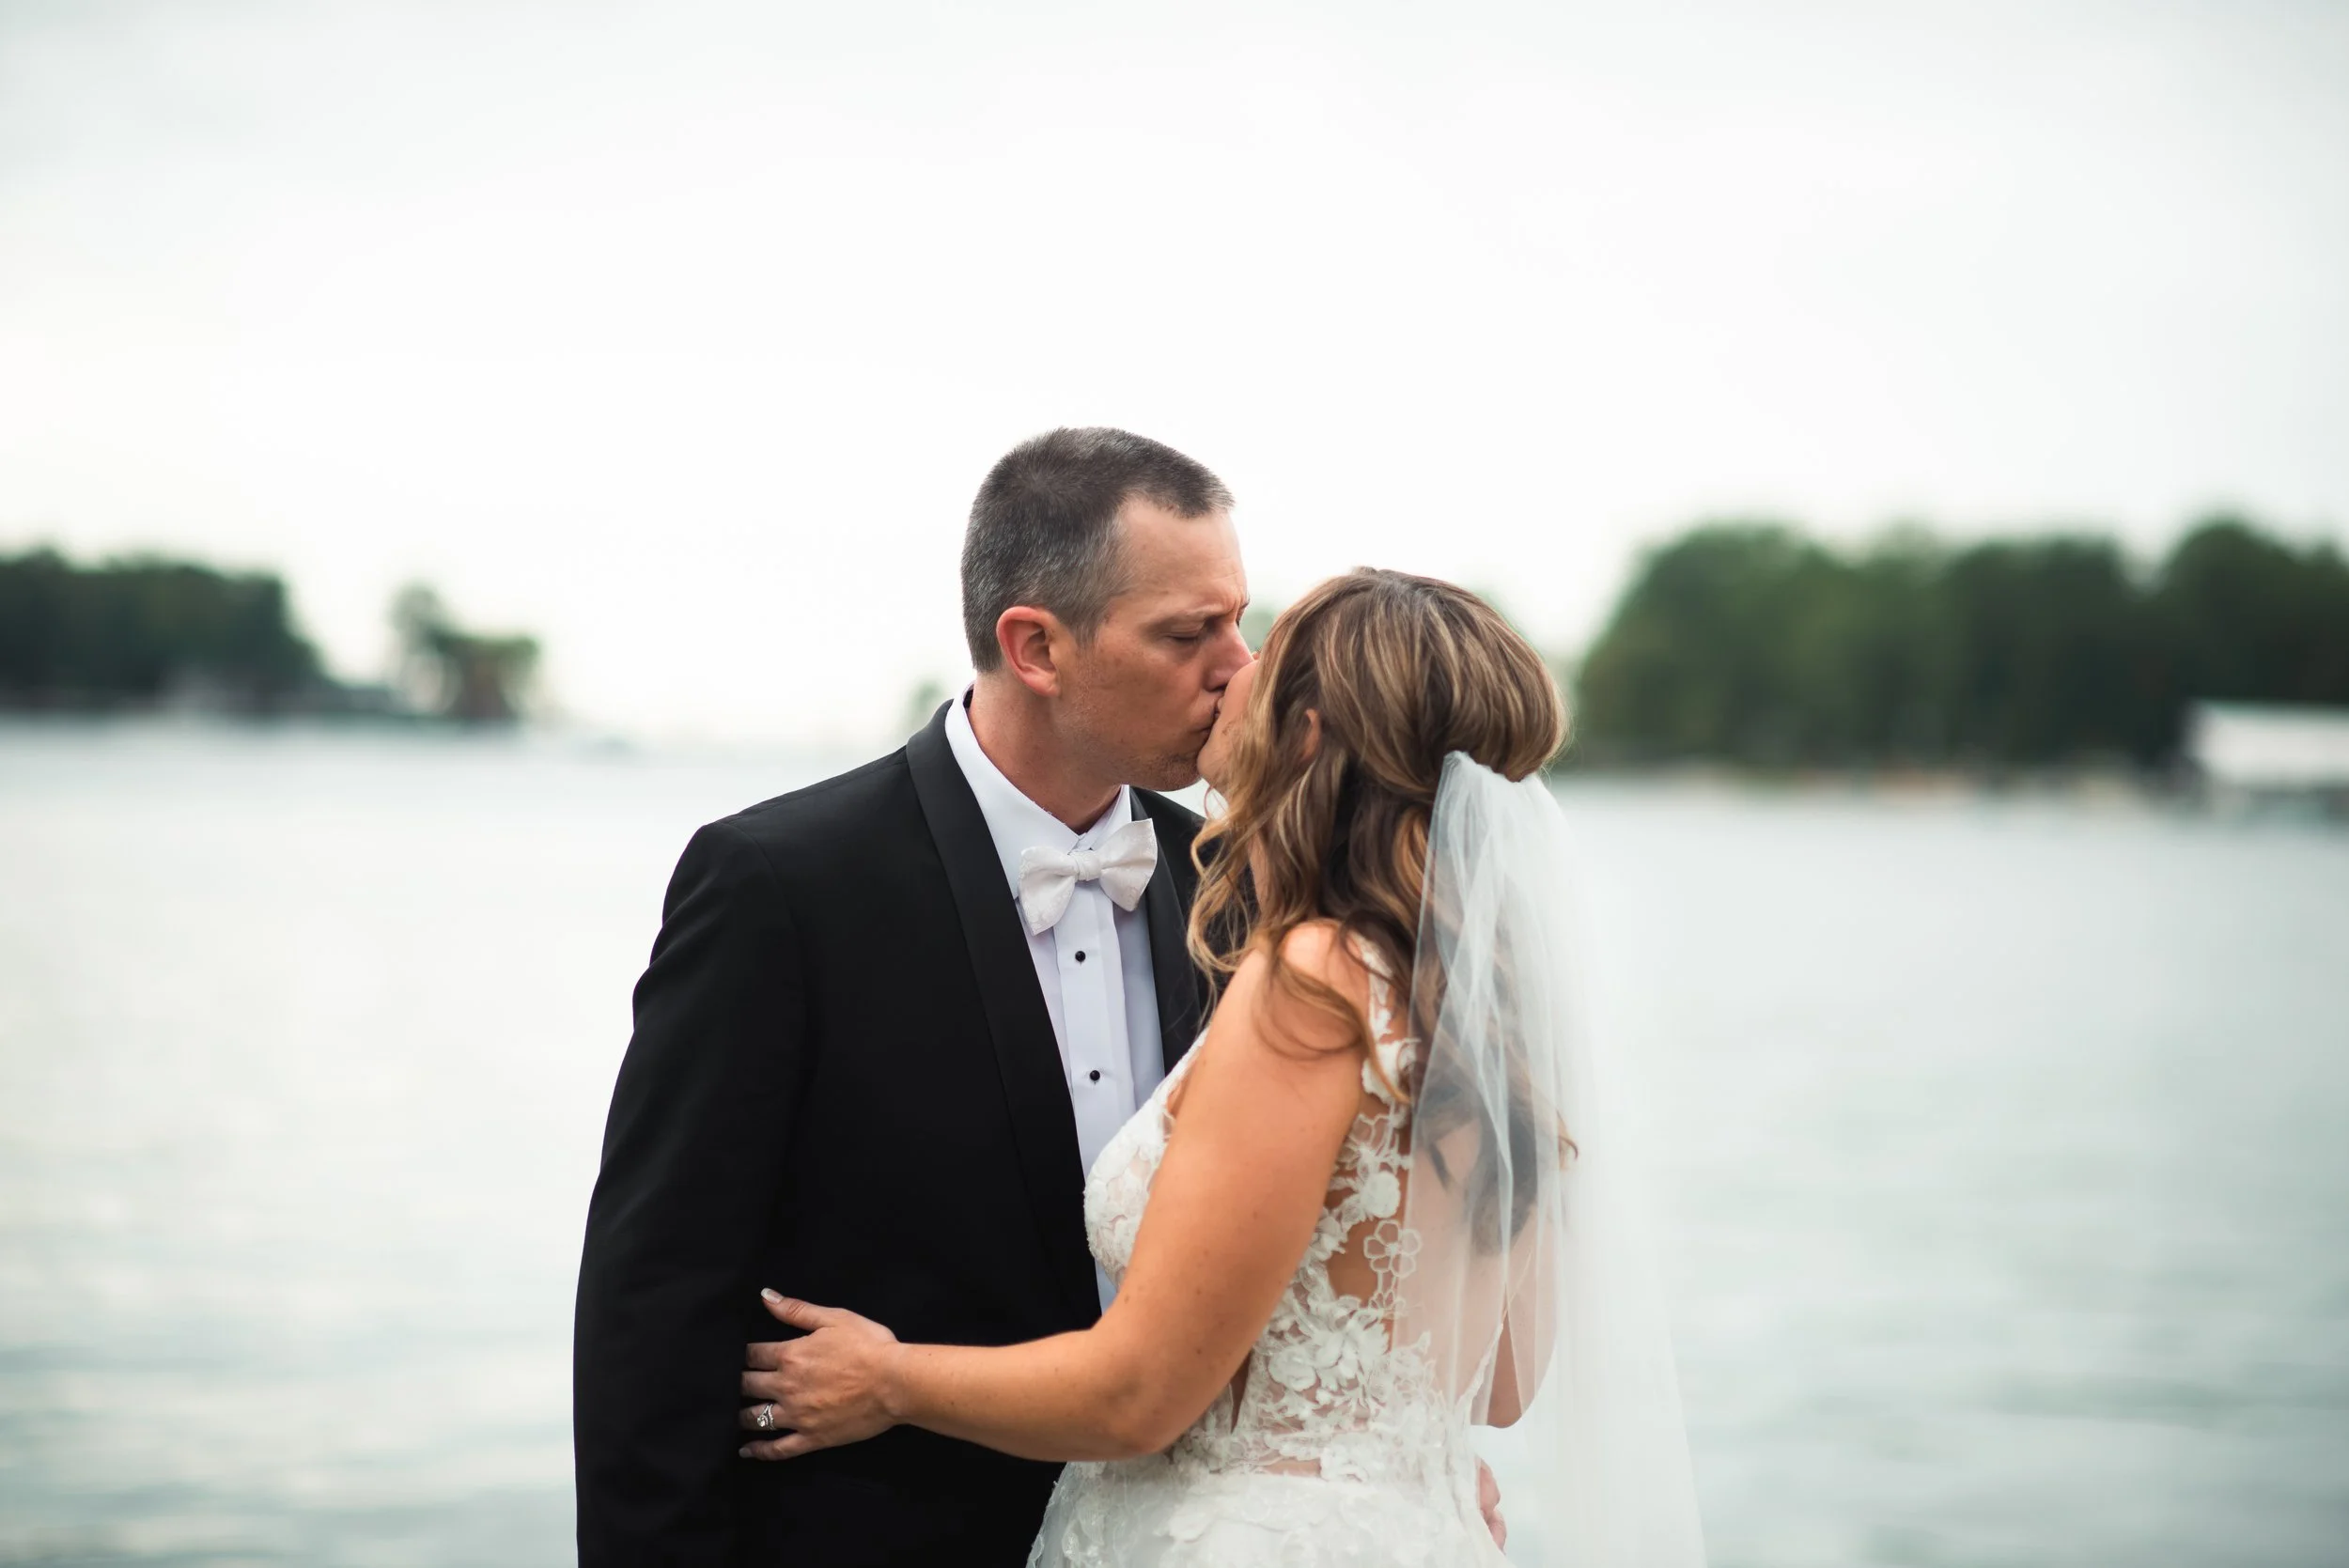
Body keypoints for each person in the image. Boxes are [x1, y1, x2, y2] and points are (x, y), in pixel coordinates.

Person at [735, 570, 1709, 1566]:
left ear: (1310, 732)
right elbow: (1499, 1382)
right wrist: (1362, 1461)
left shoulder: (1315, 980)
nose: (1231, 669)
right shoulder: (1482, 1009)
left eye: (1262, 652)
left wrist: (888, 1378)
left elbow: (1140, 1396)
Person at [572, 427, 1252, 1563]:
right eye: (1189, 633)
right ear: (1035, 645)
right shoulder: (779, 883)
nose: (1240, 664)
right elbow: (657, 1298)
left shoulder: (1235, 886)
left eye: (1237, 617)